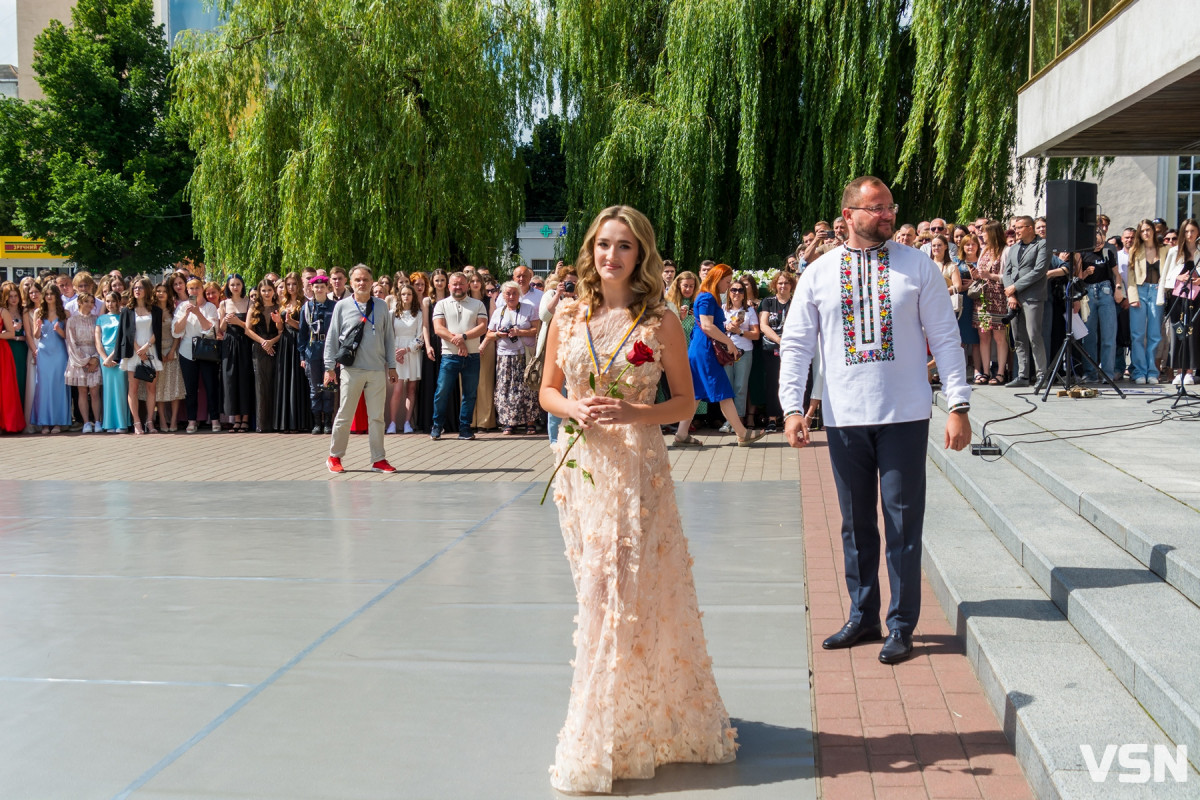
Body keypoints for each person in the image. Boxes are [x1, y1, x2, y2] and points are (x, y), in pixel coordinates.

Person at [538, 205, 737, 793]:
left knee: (614, 590)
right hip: (579, 467)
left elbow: (686, 404)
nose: (611, 256)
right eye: (603, 245)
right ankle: (627, 718)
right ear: (590, 251)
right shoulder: (568, 314)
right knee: (594, 588)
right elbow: (548, 389)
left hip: (635, 466)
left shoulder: (661, 321)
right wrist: (571, 407)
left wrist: (634, 413)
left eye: (624, 246)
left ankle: (595, 734)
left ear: (641, 254)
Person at [780, 175, 971, 665]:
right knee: (855, 524)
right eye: (876, 208)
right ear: (848, 216)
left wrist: (959, 404)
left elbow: (946, 338)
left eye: (890, 206)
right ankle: (863, 615)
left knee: (903, 523)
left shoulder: (919, 267)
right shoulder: (819, 274)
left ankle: (902, 624)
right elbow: (798, 345)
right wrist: (793, 408)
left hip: (905, 415)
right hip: (844, 418)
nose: (887, 215)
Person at [676, 263, 766, 446]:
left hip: (700, 349)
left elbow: (708, 325)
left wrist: (726, 329)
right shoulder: (708, 297)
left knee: (697, 392)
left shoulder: (706, 296)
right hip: (705, 351)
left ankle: (681, 434)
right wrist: (729, 342)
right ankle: (742, 433)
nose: (728, 285)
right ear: (717, 280)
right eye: (726, 281)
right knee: (723, 391)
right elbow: (707, 326)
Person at [324, 264, 398, 473]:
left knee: (376, 417)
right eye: (357, 280)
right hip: (352, 369)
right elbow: (332, 338)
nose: (362, 283)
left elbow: (389, 339)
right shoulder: (342, 306)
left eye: (365, 279)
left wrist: (392, 366)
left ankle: (378, 459)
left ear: (372, 281)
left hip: (376, 369)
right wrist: (329, 367)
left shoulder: (382, 306)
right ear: (351, 283)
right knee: (345, 414)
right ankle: (334, 456)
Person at [430, 272, 488, 440]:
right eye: (454, 284)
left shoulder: (478, 304)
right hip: (450, 356)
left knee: (469, 394)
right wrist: (459, 342)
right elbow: (438, 329)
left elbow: (482, 327)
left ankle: (465, 428)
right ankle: (437, 426)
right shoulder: (441, 305)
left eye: (461, 284)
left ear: (467, 285)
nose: (458, 287)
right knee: (442, 392)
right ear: (449, 286)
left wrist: (463, 337)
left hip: (473, 356)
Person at [486, 281, 541, 435]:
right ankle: (508, 422)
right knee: (505, 389)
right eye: (508, 293)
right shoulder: (499, 312)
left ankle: (530, 422)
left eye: (514, 293)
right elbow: (489, 333)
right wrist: (499, 334)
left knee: (527, 388)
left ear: (519, 294)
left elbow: (536, 330)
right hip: (504, 356)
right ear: (503, 295)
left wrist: (519, 332)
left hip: (524, 354)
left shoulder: (528, 309)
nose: (511, 296)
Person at [174, 278, 222, 433]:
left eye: (197, 288)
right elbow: (176, 330)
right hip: (187, 350)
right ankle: (191, 420)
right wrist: (187, 314)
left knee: (210, 385)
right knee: (191, 388)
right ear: (187, 291)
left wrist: (198, 313)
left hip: (206, 349)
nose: (194, 291)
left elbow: (211, 329)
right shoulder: (182, 307)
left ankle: (214, 418)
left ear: (202, 289)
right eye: (191, 289)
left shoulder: (209, 307)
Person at [118, 277, 164, 434]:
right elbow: (126, 333)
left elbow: (158, 332)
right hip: (133, 352)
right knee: (133, 388)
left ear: (147, 290)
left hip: (150, 351)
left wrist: (146, 347)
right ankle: (137, 422)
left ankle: (150, 422)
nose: (137, 290)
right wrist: (138, 349)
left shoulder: (156, 310)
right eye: (135, 288)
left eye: (141, 288)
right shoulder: (127, 310)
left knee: (151, 388)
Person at [1159, 218, 1200, 385]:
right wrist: (1178, 277)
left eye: (1193, 231)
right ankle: (1178, 371)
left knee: (1193, 332)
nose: (1189, 235)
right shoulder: (1174, 252)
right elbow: (1166, 276)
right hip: (1178, 296)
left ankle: (1190, 371)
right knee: (1178, 332)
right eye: (1187, 231)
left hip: (1197, 297)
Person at [1127, 219, 1167, 385]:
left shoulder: (1165, 250)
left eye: (1148, 230)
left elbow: (1170, 271)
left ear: (1153, 230)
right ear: (1139, 233)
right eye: (1142, 231)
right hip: (1140, 290)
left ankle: (1152, 371)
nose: (1146, 233)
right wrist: (1133, 297)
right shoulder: (1135, 250)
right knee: (1137, 334)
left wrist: (1164, 288)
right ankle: (1139, 372)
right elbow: (1130, 277)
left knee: (1154, 335)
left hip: (1157, 291)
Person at [1078, 232, 1122, 383]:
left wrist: (1118, 288)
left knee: (1108, 335)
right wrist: (1085, 273)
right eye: (1095, 242)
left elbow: (1117, 274)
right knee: (1089, 336)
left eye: (1101, 241)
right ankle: (1090, 372)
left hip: (1105, 292)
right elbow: (1077, 278)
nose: (1098, 244)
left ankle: (1107, 373)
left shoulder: (1107, 252)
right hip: (1088, 293)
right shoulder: (1083, 253)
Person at [298, 274, 337, 434]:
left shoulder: (334, 306)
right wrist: (302, 356)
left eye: (322, 287)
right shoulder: (306, 308)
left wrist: (338, 355)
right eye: (316, 287)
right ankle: (316, 423)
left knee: (329, 387)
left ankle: (327, 422)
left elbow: (340, 332)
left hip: (329, 350)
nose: (319, 289)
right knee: (315, 388)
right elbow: (302, 334)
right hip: (313, 350)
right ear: (312, 288)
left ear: (327, 288)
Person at [31, 283, 72, 434]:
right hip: (44, 352)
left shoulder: (65, 313)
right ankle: (44, 423)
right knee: (43, 387)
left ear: (56, 296)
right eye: (46, 294)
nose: (49, 297)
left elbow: (67, 336)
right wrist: (38, 326)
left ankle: (58, 422)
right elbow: (36, 335)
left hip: (59, 353)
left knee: (58, 386)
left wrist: (59, 330)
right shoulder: (38, 312)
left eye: (51, 294)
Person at [758, 271, 796, 431]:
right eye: (780, 283)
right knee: (773, 382)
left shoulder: (796, 301)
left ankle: (790, 417)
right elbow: (763, 325)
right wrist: (780, 341)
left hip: (793, 348)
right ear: (775, 285)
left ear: (791, 286)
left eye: (786, 283)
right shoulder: (768, 301)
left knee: (791, 382)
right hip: (772, 347)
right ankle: (772, 418)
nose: (783, 286)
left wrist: (788, 342)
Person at [274, 272, 312, 432]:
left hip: (299, 341)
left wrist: (292, 322)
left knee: (297, 380)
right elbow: (281, 328)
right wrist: (279, 323)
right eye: (288, 284)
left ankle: (299, 422)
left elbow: (308, 327)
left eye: (294, 284)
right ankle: (286, 422)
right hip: (285, 342)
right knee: (285, 379)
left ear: (299, 285)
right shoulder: (282, 303)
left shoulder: (305, 303)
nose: (291, 287)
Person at [721, 277, 759, 429]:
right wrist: (727, 328)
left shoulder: (749, 311)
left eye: (740, 290)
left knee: (740, 387)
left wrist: (740, 331)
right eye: (734, 290)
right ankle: (729, 420)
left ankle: (738, 420)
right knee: (727, 387)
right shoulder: (722, 309)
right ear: (729, 292)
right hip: (726, 351)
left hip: (744, 352)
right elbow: (714, 329)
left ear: (744, 294)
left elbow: (756, 334)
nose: (737, 293)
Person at [974, 221, 1010, 384]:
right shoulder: (984, 250)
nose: (982, 234)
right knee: (984, 335)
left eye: (985, 232)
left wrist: (991, 276)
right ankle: (986, 371)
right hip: (983, 298)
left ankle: (1001, 371)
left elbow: (1009, 276)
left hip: (999, 297)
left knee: (999, 336)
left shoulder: (1005, 251)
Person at [217, 275, 254, 431]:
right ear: (228, 286)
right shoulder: (224, 303)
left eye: (238, 284)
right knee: (231, 379)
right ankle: (236, 418)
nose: (235, 287)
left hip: (244, 343)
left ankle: (245, 418)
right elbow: (222, 329)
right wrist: (225, 319)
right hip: (229, 344)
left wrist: (238, 322)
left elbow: (250, 327)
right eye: (232, 285)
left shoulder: (249, 302)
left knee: (244, 379)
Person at [64, 293, 102, 432]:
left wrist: (95, 358)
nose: (89, 304)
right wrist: (85, 360)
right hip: (79, 358)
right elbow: (71, 342)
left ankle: (97, 421)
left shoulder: (96, 319)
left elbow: (101, 339)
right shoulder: (72, 321)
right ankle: (85, 422)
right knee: (82, 390)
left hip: (94, 354)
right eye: (86, 301)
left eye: (92, 302)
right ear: (79, 302)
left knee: (95, 391)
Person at [246, 279, 280, 432]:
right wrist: (263, 342)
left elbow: (282, 330)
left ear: (274, 291)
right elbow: (248, 330)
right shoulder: (254, 307)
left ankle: (275, 422)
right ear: (259, 292)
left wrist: (271, 342)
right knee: (261, 385)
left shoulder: (279, 307)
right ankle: (262, 424)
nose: (266, 293)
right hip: (259, 347)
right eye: (263, 290)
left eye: (269, 290)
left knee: (275, 383)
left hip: (276, 347)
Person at [388, 283, 422, 434]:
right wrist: (396, 351)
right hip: (396, 353)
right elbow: (388, 335)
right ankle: (393, 422)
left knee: (412, 389)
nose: (406, 297)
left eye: (409, 294)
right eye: (403, 294)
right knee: (397, 389)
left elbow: (420, 336)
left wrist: (407, 349)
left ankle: (408, 422)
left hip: (412, 353)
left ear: (413, 296)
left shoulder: (418, 314)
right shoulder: (392, 313)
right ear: (399, 296)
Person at [95, 290, 131, 432]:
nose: (110, 304)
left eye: (113, 301)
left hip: (119, 356)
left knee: (121, 389)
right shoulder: (101, 319)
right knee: (108, 390)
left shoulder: (124, 317)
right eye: (107, 301)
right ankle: (109, 423)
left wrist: (113, 357)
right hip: (105, 359)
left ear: (118, 302)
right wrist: (105, 358)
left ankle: (122, 423)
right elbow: (98, 341)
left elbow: (123, 339)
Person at [152, 283, 185, 431]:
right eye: (158, 291)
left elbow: (178, 333)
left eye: (164, 291)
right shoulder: (152, 311)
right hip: (157, 352)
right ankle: (163, 421)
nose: (161, 294)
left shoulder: (174, 310)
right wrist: (159, 352)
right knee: (159, 388)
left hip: (172, 350)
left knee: (174, 387)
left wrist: (172, 351)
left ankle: (173, 421)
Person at [0, 282, 29, 433]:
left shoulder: (23, 310)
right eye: (9, 296)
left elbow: (28, 335)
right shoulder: (3, 311)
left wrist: (17, 337)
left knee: (22, 381)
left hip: (20, 349)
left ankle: (21, 418)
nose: (13, 299)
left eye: (15, 295)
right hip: (6, 350)